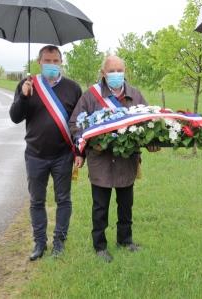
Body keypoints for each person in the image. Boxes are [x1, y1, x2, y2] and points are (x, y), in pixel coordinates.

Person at [69, 55, 158, 263]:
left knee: (126, 204)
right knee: (100, 206)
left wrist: (151, 141)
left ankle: (125, 241)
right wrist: (90, 143)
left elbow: (148, 122)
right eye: (112, 71)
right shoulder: (90, 96)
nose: (116, 74)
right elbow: (75, 124)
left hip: (127, 162)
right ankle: (100, 246)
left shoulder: (134, 95)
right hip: (100, 161)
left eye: (120, 70)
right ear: (103, 73)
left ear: (125, 72)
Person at [9, 45, 83, 260]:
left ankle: (59, 241)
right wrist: (23, 97)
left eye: (55, 61)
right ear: (39, 62)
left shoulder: (73, 88)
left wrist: (79, 151)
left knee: (63, 199)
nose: (51, 65)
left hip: (63, 155)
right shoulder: (28, 85)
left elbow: (79, 123)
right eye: (47, 61)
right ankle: (39, 244)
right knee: (36, 201)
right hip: (35, 154)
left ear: (61, 62)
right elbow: (15, 117)